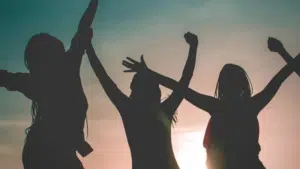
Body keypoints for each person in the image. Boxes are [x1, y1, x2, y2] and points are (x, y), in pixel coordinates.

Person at [122, 37, 300, 169]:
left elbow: (180, 86)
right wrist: (281, 50)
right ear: (243, 86)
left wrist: (149, 73)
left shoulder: (218, 107)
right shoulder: (249, 105)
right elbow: (283, 75)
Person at [0, 0, 98, 168]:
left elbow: (82, 30)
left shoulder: (35, 80)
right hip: (48, 153)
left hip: (48, 151)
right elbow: (82, 29)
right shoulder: (66, 67)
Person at [86, 29, 198, 169]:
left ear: (134, 89)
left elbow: (103, 77)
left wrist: (88, 47)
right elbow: (185, 80)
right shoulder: (163, 111)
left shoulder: (130, 110)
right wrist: (193, 48)